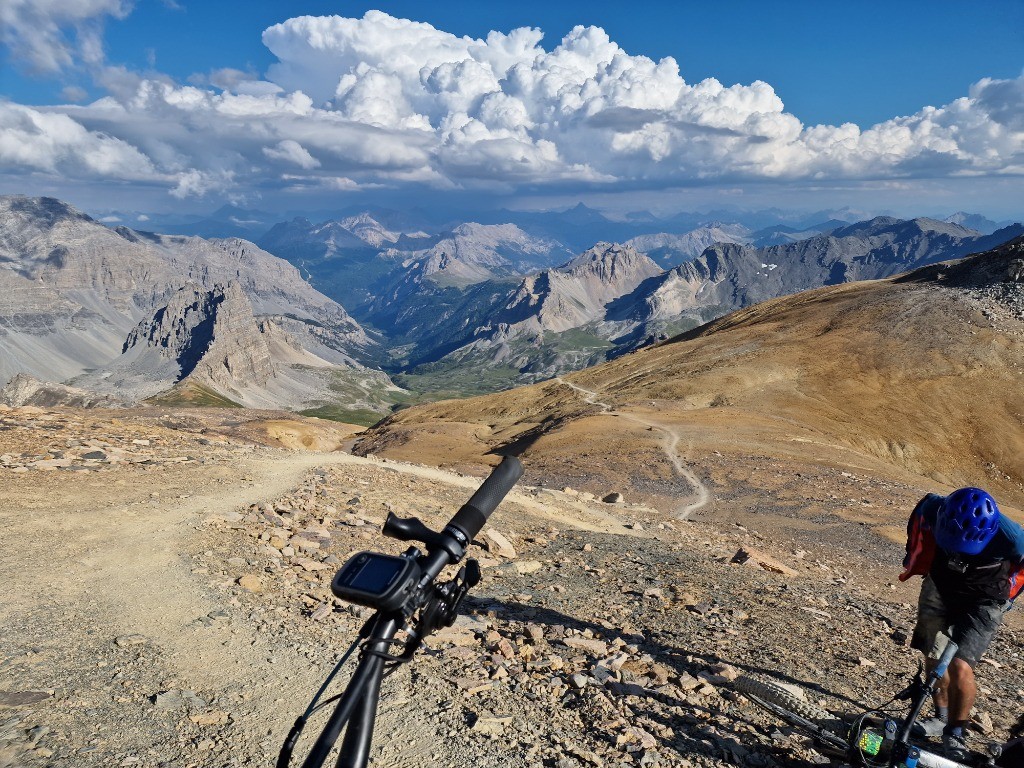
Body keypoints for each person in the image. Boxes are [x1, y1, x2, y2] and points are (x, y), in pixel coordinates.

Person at [899, 487, 1024, 761]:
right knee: (933, 653)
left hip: (986, 598)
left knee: (960, 664)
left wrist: (1010, 598)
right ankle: (940, 718)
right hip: (941, 584)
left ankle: (956, 732)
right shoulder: (932, 507)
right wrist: (913, 560)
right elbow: (918, 525)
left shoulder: (1012, 537)